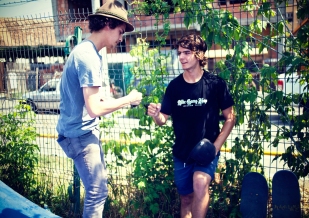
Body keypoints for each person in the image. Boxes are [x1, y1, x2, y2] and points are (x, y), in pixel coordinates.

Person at [56, 1, 142, 217]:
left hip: (80, 132)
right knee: (97, 192)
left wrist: (116, 99)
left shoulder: (89, 52)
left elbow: (92, 98)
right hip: (80, 135)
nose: (121, 38)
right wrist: (127, 99)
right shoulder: (88, 57)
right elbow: (94, 108)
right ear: (107, 24)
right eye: (120, 31)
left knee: (98, 190)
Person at [146, 34, 235, 218]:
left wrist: (215, 147)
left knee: (200, 183)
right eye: (179, 53)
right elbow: (163, 119)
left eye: (187, 52)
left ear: (199, 54)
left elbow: (230, 118)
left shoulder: (216, 84)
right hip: (182, 153)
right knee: (186, 198)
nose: (181, 57)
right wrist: (156, 115)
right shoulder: (174, 87)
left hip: (206, 152)